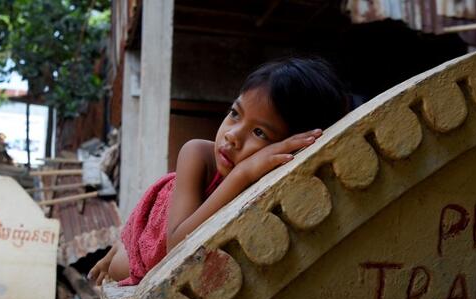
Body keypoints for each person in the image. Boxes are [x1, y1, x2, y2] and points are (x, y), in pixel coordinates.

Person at [89, 57, 347, 286]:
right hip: (158, 229)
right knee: (117, 268)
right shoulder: (197, 154)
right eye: (235, 113)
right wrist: (242, 174)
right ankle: (121, 244)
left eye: (259, 132)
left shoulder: (275, 185)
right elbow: (175, 247)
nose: (232, 135)